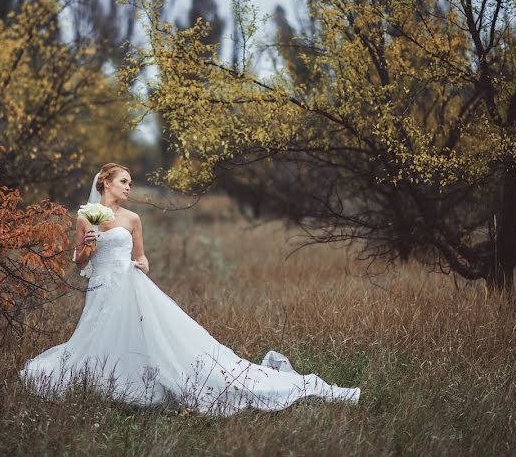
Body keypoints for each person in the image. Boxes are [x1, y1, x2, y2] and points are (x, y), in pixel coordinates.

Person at [19, 163, 361, 415]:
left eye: (130, 182)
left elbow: (142, 258)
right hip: (101, 287)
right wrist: (89, 245)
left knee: (153, 335)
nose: (128, 187)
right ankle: (105, 385)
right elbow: (79, 262)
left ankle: (151, 384)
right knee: (98, 335)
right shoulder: (85, 218)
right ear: (105, 182)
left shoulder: (133, 219)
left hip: (129, 284)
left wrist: (141, 265)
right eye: (124, 181)